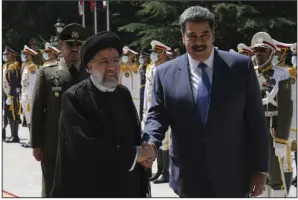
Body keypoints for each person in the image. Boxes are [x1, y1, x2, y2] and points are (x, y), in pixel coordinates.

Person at [141, 6, 269, 197]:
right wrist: (150, 142)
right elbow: (157, 115)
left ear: (213, 35)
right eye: (192, 36)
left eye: (204, 35)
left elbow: (256, 121)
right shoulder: (164, 73)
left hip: (232, 174)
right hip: (189, 176)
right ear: (183, 36)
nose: (198, 42)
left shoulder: (240, 67)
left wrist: (260, 170)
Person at [51, 31, 152, 198]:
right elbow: (86, 149)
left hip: (126, 187)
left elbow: (133, 135)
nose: (112, 67)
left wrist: (146, 152)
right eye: (104, 61)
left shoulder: (123, 94)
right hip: (91, 188)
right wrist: (135, 155)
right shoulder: (74, 98)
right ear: (89, 66)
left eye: (115, 60)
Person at [30, 23, 89, 197]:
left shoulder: (91, 72)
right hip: (53, 143)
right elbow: (38, 111)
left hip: (84, 143)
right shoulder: (48, 72)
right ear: (61, 46)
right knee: (52, 188)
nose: (75, 49)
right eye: (70, 44)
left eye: (79, 45)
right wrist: (36, 144)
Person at [252, 32, 293, 197]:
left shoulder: (281, 75)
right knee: (256, 172)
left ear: (271, 53)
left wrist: (282, 139)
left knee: (275, 175)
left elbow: (286, 109)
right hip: (254, 132)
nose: (258, 54)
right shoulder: (250, 74)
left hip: (271, 130)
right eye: (256, 51)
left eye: (262, 50)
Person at [142, 40, 172, 184]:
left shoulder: (168, 68)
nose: (153, 55)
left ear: (164, 53)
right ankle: (159, 169)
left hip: (163, 109)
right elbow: (147, 91)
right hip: (150, 108)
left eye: (157, 52)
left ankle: (166, 171)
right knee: (155, 140)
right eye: (153, 52)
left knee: (165, 141)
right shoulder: (150, 67)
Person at [20, 45, 38, 147]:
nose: (23, 56)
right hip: (25, 97)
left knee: (31, 120)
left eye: (24, 54)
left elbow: (32, 84)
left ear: (29, 56)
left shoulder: (32, 67)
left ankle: (33, 140)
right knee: (28, 120)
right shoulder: (25, 66)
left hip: (29, 99)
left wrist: (31, 99)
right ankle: (30, 139)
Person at [2, 46, 21, 143]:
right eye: (4, 54)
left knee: (14, 114)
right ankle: (11, 135)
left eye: (6, 54)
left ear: (11, 55)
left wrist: (11, 96)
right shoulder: (5, 66)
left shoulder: (14, 65)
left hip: (11, 95)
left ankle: (15, 136)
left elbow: (14, 82)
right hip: (5, 94)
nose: (4, 56)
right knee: (8, 114)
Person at [120, 46, 140, 114]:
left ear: (132, 56)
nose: (125, 57)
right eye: (124, 55)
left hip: (135, 98)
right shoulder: (119, 68)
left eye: (127, 55)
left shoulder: (137, 68)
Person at [138, 51, 150, 122]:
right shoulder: (140, 67)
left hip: (146, 87)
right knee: (140, 105)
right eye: (140, 57)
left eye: (143, 57)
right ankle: (140, 120)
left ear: (147, 58)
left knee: (146, 105)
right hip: (140, 88)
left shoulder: (149, 66)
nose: (141, 58)